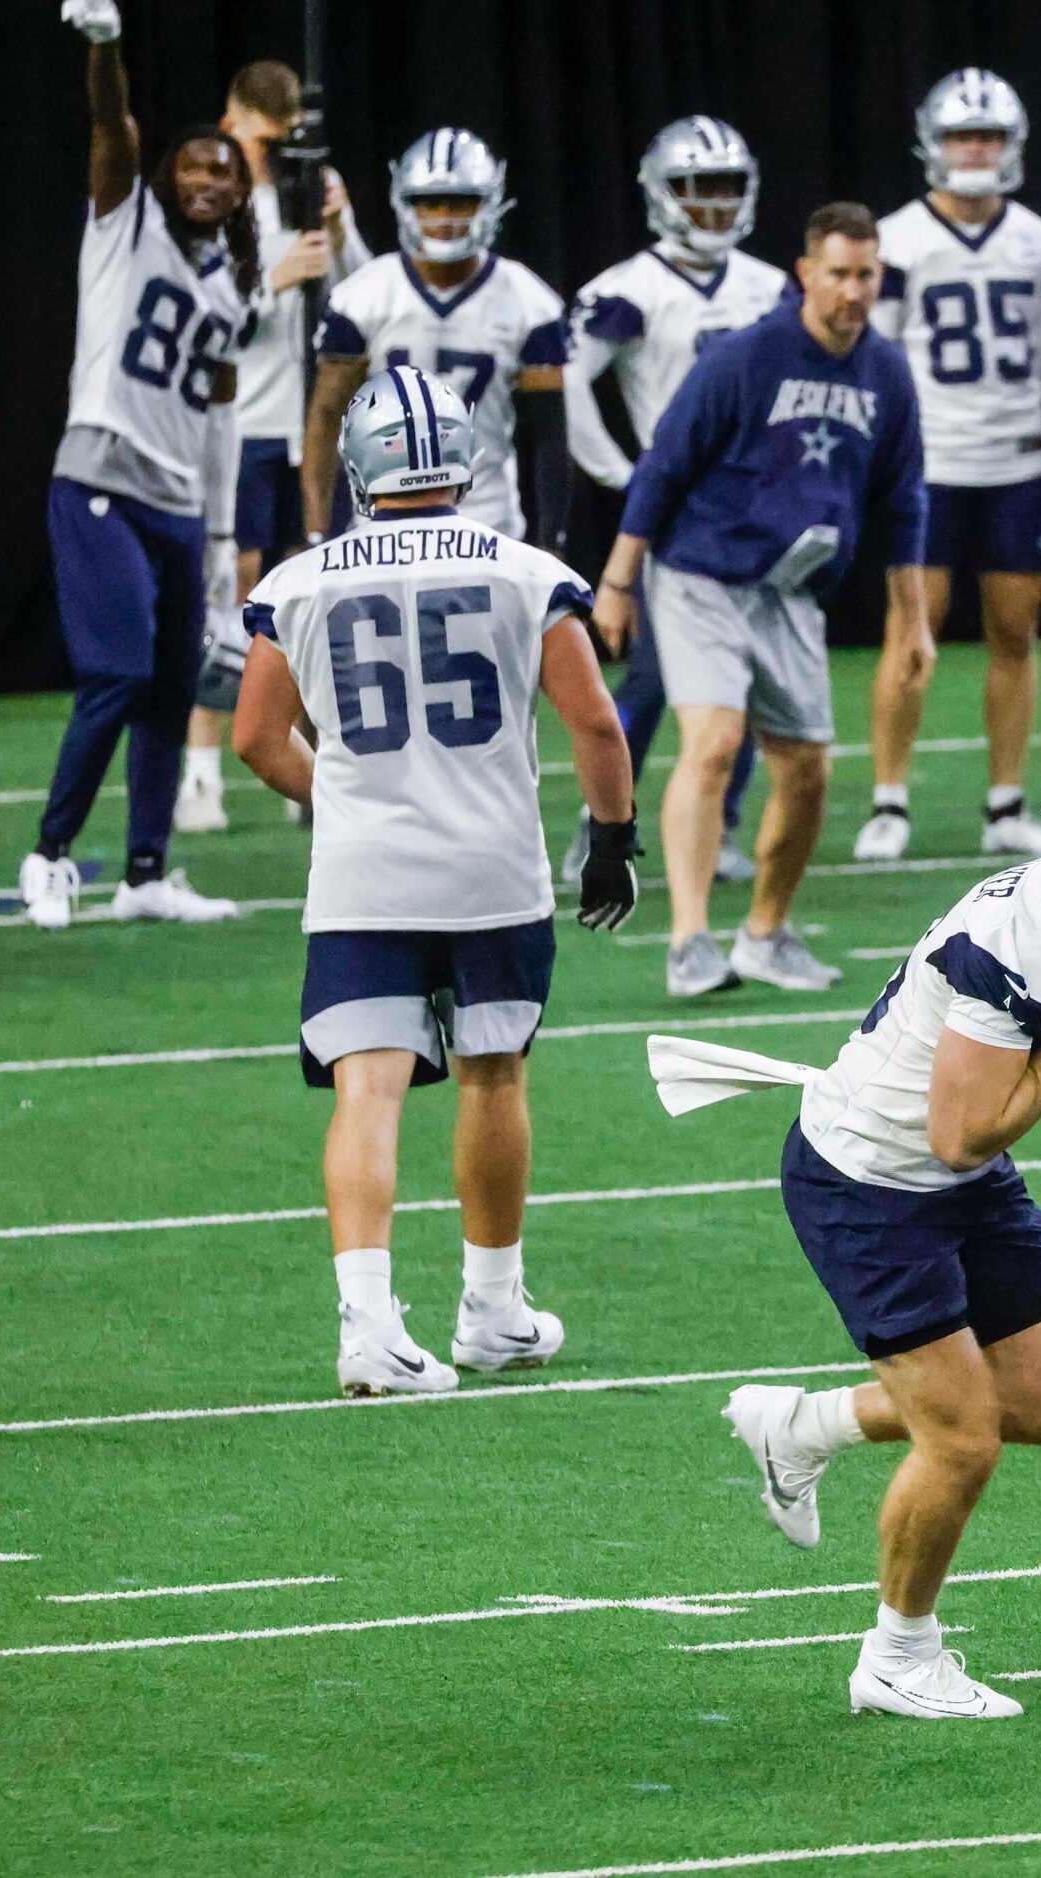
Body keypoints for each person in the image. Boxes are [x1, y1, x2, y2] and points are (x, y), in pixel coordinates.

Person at [675, 728, 1041, 1719]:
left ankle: (805, 1427)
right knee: (963, 1439)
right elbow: (963, 1132)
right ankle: (895, 1658)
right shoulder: (1016, 932)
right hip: (870, 1180)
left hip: (954, 1179)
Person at [231, 366, 640, 1396]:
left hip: (363, 877)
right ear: (466, 456)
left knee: (367, 1092)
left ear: (360, 466)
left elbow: (253, 737)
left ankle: (370, 1327)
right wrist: (610, 838)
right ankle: (493, 1309)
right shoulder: (523, 569)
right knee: (493, 1073)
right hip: (489, 868)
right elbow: (595, 719)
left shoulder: (302, 579)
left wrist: (347, 802)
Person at [595, 202, 928, 999]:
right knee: (712, 741)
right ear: (805, 274)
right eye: (840, 273)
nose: (854, 290)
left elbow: (904, 497)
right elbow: (664, 467)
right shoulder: (746, 356)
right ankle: (689, 942)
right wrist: (616, 581)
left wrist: (912, 614)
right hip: (700, 573)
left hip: (791, 593)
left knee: (808, 770)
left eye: (867, 275)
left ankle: (766, 933)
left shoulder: (885, 371)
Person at [21, 0, 258, 932]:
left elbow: (222, 417)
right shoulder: (124, 224)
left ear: (240, 193)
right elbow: (112, 125)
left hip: (177, 500)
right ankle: (49, 855)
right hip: (100, 476)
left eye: (224, 171)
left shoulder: (233, 284)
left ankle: (147, 872)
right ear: (168, 173)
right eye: (195, 163)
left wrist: (224, 537)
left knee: (170, 689)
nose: (208, 178)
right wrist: (106, 44)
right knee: (116, 673)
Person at [853, 69, 1041, 866]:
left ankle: (1004, 802)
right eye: (964, 136)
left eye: (988, 137)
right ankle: (889, 799)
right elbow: (875, 363)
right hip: (929, 465)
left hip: (1016, 464)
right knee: (912, 632)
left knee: (1014, 632)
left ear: (1012, 145)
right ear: (932, 143)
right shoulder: (896, 240)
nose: (975, 150)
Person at [558, 117, 786, 893]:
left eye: (726, 187)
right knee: (658, 683)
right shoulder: (631, 289)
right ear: (661, 193)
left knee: (747, 680)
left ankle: (716, 826)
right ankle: (602, 825)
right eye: (698, 188)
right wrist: (624, 475)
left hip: (757, 511)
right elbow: (565, 383)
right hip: (678, 512)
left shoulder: (768, 284)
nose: (714, 205)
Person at [173, 58, 373, 839]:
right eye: (263, 144)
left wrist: (341, 227)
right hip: (245, 424)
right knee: (235, 598)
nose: (272, 159)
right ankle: (200, 776)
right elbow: (206, 317)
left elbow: (360, 297)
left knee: (321, 592)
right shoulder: (216, 203)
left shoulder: (304, 197)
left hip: (313, 426)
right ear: (232, 127)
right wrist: (278, 279)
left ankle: (316, 773)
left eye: (284, 144)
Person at [301, 130, 570, 554]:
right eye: (429, 202)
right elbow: (325, 418)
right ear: (404, 204)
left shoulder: (529, 302)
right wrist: (315, 532)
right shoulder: (363, 297)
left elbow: (549, 436)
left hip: (487, 525)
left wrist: (553, 541)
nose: (444, 216)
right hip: (381, 528)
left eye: (461, 200)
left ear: (490, 203)